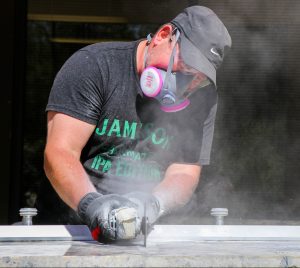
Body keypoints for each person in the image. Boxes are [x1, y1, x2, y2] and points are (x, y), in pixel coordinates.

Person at [35, 5, 231, 241]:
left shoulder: (203, 97)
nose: (187, 86)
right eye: (186, 68)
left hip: (143, 234)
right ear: (163, 35)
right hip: (70, 230)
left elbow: (185, 170)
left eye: (198, 80)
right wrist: (91, 204)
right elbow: (59, 153)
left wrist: (154, 203)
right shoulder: (94, 66)